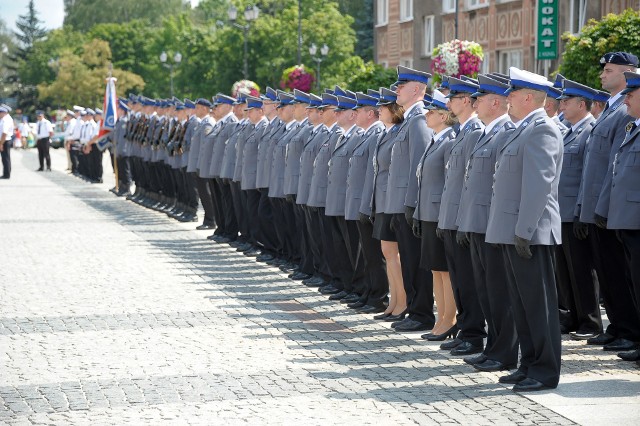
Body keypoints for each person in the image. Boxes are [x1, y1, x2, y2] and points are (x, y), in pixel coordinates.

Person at [485, 66, 563, 392]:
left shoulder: (542, 130)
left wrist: (524, 230)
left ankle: (545, 370)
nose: (508, 101)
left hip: (530, 232)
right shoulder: (523, 129)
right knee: (521, 303)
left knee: (538, 305)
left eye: (512, 94)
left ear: (528, 97)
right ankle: (528, 363)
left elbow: (539, 186)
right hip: (514, 230)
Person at [575, 52, 640, 352]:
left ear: (629, 72)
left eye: (610, 70)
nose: (602, 74)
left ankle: (628, 328)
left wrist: (602, 207)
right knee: (607, 270)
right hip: (600, 206)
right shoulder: (612, 109)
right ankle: (617, 325)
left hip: (614, 208)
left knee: (619, 272)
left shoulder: (624, 114)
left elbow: (615, 164)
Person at [456, 74, 518, 372]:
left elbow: (499, 185)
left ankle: (504, 350)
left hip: (492, 224)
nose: (473, 103)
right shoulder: (486, 132)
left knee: (499, 292)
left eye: (478, 99)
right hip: (478, 221)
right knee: (486, 290)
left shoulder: (505, 131)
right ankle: (493, 346)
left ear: (495, 102)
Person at [437, 76, 486, 355]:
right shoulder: (462, 132)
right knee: (458, 278)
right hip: (452, 216)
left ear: (465, 100)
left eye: (453, 98)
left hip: (462, 218)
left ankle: (474, 333)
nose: (448, 103)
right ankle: (465, 329)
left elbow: (470, 182)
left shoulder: (475, 131)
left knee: (468, 279)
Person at [386, 66, 435, 333]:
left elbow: (419, 165)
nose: (397, 90)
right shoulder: (409, 119)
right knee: (408, 260)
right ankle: (414, 309)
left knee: (415, 261)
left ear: (416, 89)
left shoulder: (418, 121)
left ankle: (422, 311)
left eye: (401, 86)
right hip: (400, 201)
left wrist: (411, 203)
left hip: (409, 203)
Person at [595, 71, 640, 364]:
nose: (625, 99)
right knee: (634, 282)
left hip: (636, 221)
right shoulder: (632, 128)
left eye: (631, 95)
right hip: (626, 219)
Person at [554, 79, 602, 340]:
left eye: (566, 101)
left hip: (574, 212)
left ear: (581, 104)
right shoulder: (568, 131)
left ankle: (590, 321)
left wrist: (583, 211)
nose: (562, 105)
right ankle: (571, 316)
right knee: (565, 269)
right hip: (560, 211)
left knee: (582, 269)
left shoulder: (589, 131)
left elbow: (587, 176)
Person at [412, 90, 457, 341]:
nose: (426, 115)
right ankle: (441, 318)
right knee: (435, 270)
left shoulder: (449, 140)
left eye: (430, 112)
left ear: (442, 115)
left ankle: (449, 319)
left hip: (440, 213)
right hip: (429, 213)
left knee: (444, 270)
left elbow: (450, 181)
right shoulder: (436, 139)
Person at [369, 88, 407, 321]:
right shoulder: (386, 132)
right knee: (387, 252)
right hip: (383, 199)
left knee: (394, 254)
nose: (378, 111)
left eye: (382, 108)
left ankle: (402, 302)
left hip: (393, 200)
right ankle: (394, 301)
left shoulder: (399, 131)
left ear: (394, 110)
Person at [0, 105, 14, 179]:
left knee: (5, 158)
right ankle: (6, 173)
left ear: (4, 112)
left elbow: (4, 133)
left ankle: (6, 174)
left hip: (5, 141)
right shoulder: (5, 119)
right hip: (4, 140)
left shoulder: (6, 120)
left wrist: (1, 144)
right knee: (5, 158)